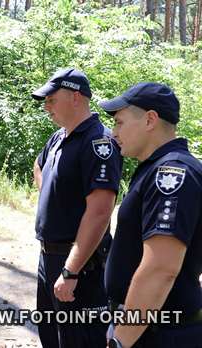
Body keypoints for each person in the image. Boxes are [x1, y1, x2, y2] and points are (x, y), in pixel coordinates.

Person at [100, 83, 202, 348]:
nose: (114, 133)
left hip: (161, 333)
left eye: (120, 123)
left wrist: (121, 341)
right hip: (145, 326)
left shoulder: (172, 173)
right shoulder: (155, 168)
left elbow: (161, 268)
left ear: (150, 119)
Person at [31, 68, 123, 348]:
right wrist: (55, 194)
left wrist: (71, 271)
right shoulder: (59, 137)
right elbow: (38, 166)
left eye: (51, 99)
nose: (46, 106)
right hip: (48, 258)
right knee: (51, 338)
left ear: (75, 97)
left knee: (80, 341)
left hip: (80, 264)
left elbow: (99, 212)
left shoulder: (99, 142)